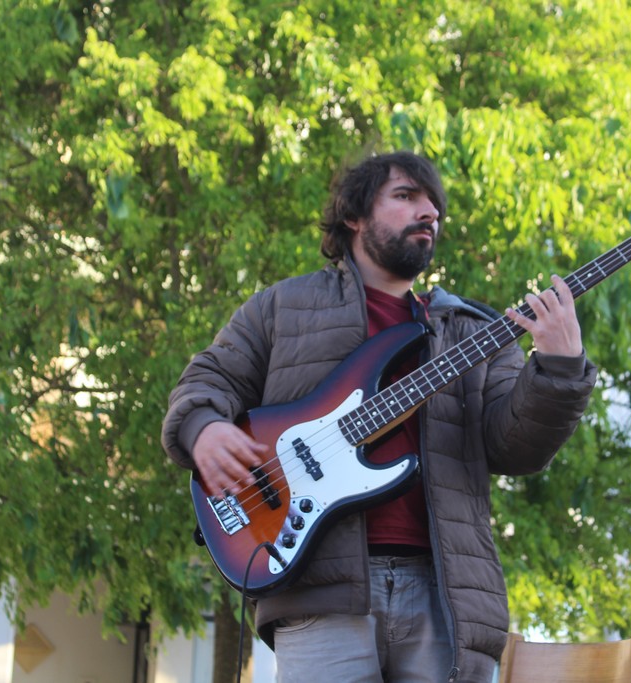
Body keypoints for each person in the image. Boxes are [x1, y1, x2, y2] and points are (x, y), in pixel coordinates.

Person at [162, 151, 597, 682]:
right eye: (406, 196)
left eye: (434, 203)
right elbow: (207, 379)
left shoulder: (474, 331)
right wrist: (204, 429)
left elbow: (517, 449)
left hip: (447, 601)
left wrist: (559, 367)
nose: (429, 212)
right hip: (320, 593)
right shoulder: (282, 306)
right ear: (354, 215)